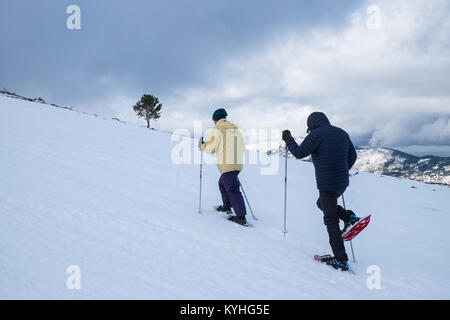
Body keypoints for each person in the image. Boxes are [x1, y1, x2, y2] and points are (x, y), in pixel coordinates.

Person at [282, 112, 360, 271]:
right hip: (342, 183)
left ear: (311, 125)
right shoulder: (341, 132)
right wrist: (342, 171)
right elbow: (353, 156)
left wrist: (289, 139)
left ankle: (340, 259)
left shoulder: (316, 134)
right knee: (322, 204)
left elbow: (299, 153)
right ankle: (350, 217)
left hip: (327, 184)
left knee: (330, 220)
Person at [199, 108, 247, 226]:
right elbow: (242, 147)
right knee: (222, 183)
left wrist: (202, 145)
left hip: (227, 164)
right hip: (237, 163)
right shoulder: (235, 130)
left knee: (232, 189)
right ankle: (227, 206)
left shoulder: (217, 129)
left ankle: (241, 217)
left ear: (215, 120)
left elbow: (211, 148)